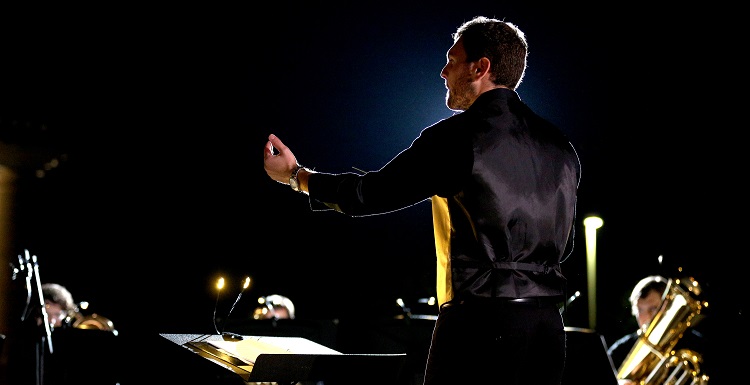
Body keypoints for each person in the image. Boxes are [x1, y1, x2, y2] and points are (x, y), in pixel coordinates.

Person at [263, 15, 580, 385]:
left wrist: (296, 176)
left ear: (481, 67)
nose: (443, 73)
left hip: (479, 324)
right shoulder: (561, 147)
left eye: (452, 61)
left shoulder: (457, 137)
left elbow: (369, 194)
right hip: (548, 331)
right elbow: (565, 245)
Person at [607, 275, 710, 385]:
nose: (646, 317)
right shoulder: (620, 350)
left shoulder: (699, 346)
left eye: (653, 308)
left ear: (667, 308)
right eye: (640, 310)